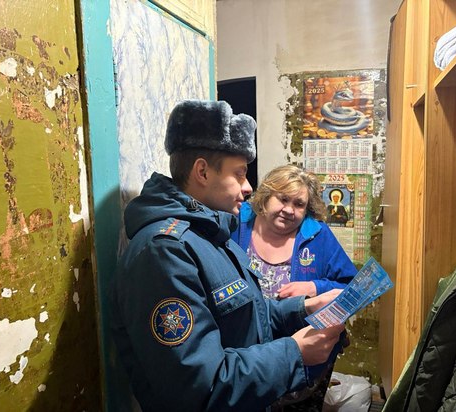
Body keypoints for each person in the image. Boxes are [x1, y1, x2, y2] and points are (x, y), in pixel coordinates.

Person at [110, 99, 346, 412]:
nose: (248, 187)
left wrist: (302, 308)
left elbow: (246, 317)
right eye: (239, 174)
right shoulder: (164, 253)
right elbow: (201, 387)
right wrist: (294, 353)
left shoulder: (211, 234)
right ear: (202, 172)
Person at [232, 165, 358, 410]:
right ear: (266, 196)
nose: (289, 210)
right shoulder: (238, 221)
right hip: (247, 357)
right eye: (283, 199)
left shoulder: (318, 235)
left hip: (304, 362)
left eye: (299, 204)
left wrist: (314, 286)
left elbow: (351, 287)